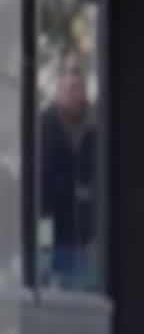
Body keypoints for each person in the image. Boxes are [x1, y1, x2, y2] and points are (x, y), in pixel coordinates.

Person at [39, 54, 97, 290]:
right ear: (58, 85)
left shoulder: (96, 129)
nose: (72, 83)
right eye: (67, 75)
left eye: (77, 75)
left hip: (88, 242)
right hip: (48, 238)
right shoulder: (42, 127)